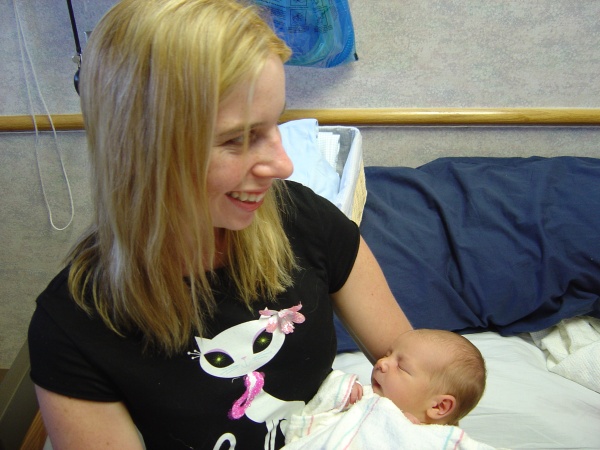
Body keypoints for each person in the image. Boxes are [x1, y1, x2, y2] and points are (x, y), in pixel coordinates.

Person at [27, 1, 411, 449]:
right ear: (141, 151)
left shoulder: (304, 220)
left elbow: (425, 379)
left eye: (275, 124)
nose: (283, 165)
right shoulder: (76, 329)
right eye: (238, 139)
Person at [283, 329, 489, 449]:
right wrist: (343, 393)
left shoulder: (440, 441)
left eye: (401, 367)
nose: (381, 363)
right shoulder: (362, 398)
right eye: (388, 354)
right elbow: (320, 411)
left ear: (439, 406)